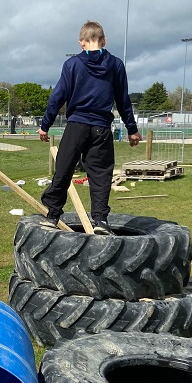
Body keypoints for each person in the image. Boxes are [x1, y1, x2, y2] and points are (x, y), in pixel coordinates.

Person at [37, 20, 142, 235]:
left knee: (64, 169)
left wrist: (45, 125)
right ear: (103, 41)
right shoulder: (116, 64)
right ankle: (100, 221)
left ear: (81, 43)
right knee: (101, 174)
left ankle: (53, 215)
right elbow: (123, 100)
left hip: (77, 125)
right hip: (101, 129)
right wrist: (132, 129)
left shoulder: (72, 65)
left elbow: (58, 97)